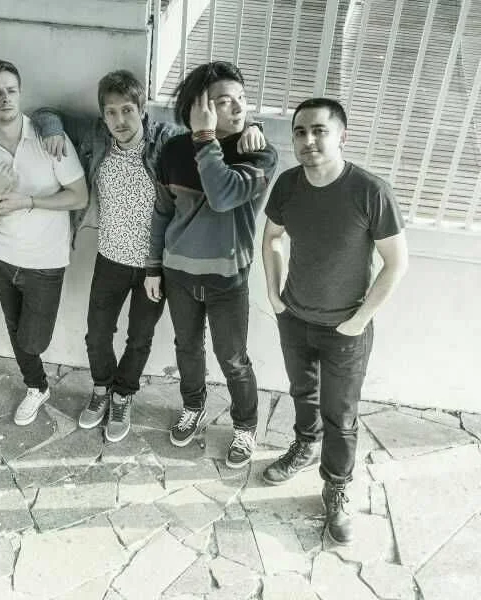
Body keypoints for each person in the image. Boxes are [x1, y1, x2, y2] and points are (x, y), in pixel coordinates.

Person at [32, 70, 265, 443]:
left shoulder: (165, 140)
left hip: (154, 266)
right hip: (110, 257)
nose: (120, 120)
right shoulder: (96, 137)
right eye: (111, 112)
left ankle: (123, 395)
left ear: (142, 110)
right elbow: (45, 112)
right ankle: (102, 388)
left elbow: (213, 133)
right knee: (97, 335)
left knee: (141, 339)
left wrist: (253, 125)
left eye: (128, 110)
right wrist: (51, 129)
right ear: (102, 116)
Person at [261, 97, 408, 544]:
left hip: (347, 328)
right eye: (300, 132)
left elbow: (396, 263)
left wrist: (360, 320)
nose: (308, 140)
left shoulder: (370, 191)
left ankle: (337, 487)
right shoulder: (289, 184)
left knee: (340, 415)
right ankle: (305, 445)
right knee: (302, 392)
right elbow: (272, 237)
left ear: (342, 135)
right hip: (295, 317)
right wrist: (274, 294)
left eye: (319, 130)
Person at [144, 61, 278, 463]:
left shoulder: (258, 152)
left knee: (233, 359)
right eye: (224, 101)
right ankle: (193, 406)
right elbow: (162, 211)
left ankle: (245, 426)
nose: (238, 108)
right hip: (179, 273)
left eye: (241, 99)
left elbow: (222, 196)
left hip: (227, 278)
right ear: (198, 107)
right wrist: (153, 266)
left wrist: (206, 137)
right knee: (187, 347)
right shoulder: (173, 151)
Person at [0, 59, 88, 426]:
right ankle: (36, 386)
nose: (5, 98)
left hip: (46, 262)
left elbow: (79, 196)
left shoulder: (50, 139)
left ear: (20, 94)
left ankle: (35, 377)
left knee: (32, 341)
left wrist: (29, 201)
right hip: (2, 258)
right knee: (14, 328)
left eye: (11, 91)